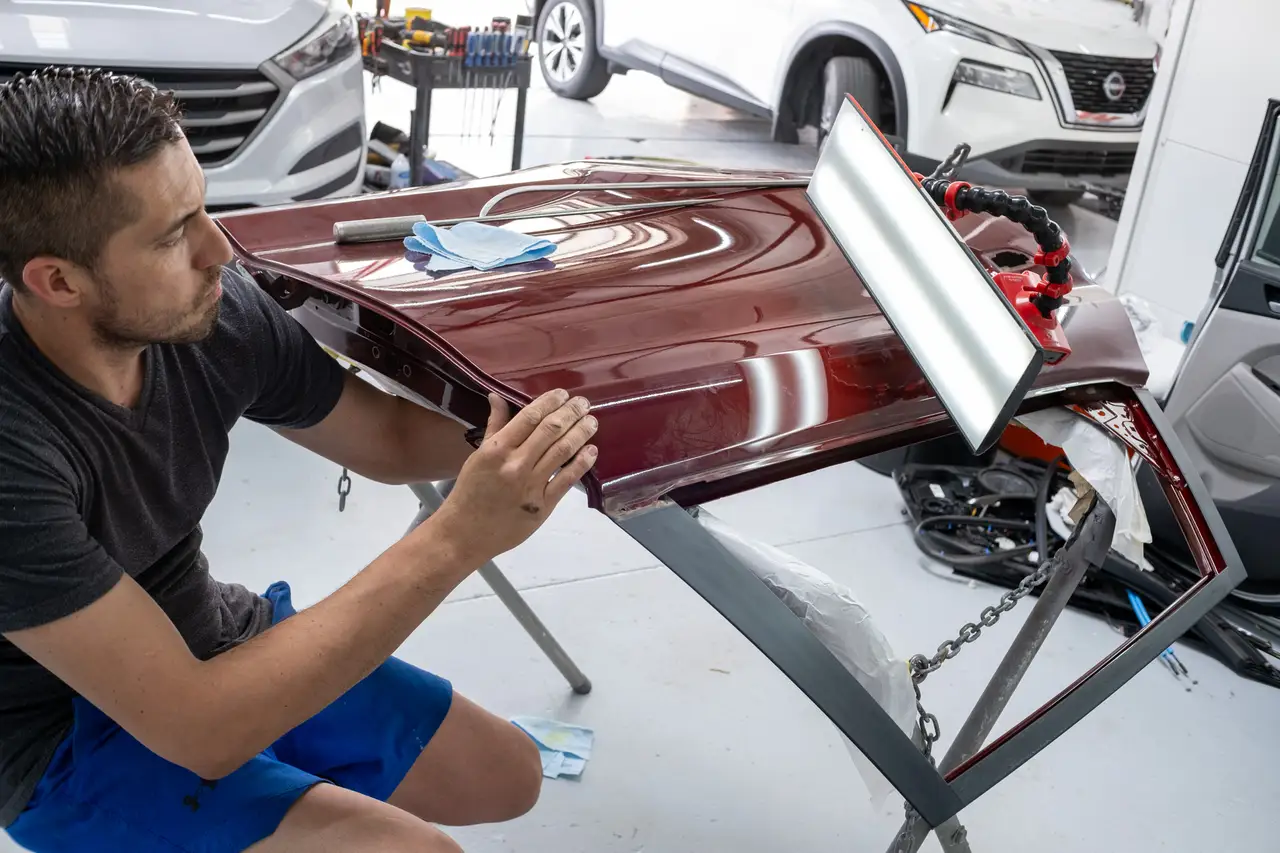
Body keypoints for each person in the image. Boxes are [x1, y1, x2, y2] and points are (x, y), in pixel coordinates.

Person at [0, 67, 599, 852]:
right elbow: (204, 728)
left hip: (198, 630)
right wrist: (461, 534)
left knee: (508, 772)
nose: (219, 248)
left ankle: (270, 792)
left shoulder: (209, 311)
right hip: (59, 736)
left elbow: (382, 438)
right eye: (172, 233)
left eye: (202, 206)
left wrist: (544, 419)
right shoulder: (13, 450)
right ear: (58, 281)